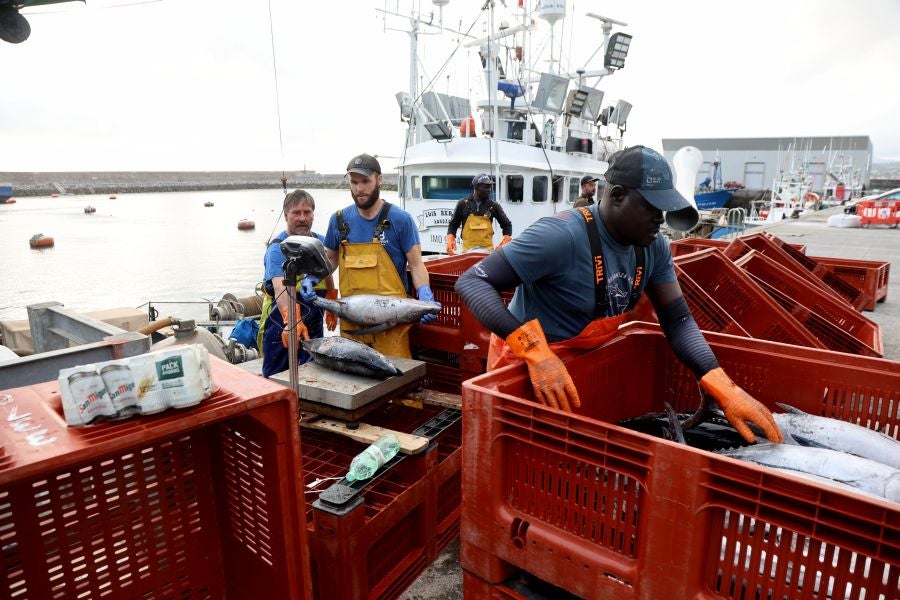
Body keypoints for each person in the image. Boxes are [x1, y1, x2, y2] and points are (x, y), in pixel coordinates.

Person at [455, 146, 782, 444]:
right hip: (526, 367)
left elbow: (678, 319)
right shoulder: (560, 235)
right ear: (617, 195)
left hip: (583, 365)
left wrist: (720, 382)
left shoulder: (654, 247)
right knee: (516, 448)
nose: (661, 219)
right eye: (654, 207)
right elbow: (473, 283)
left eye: (666, 209)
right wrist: (535, 352)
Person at [323, 153, 439, 358]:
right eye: (354, 182)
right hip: (352, 326)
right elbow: (329, 261)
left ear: (379, 179)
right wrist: (313, 280)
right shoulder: (338, 220)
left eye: (365, 181)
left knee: (395, 381)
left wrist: (424, 293)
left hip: (392, 327)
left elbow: (416, 264)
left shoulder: (401, 220)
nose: (359, 189)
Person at [259, 189, 337, 378]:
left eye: (307, 212)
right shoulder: (277, 249)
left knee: (312, 371)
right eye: (296, 213)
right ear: (286, 216)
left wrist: (332, 299)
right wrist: (292, 321)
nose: (302, 218)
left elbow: (327, 269)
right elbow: (280, 287)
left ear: (313, 215)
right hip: (280, 320)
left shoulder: (320, 242)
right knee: (277, 375)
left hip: (314, 317)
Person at [445, 174, 513, 255]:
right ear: (476, 187)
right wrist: (450, 240)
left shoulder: (494, 206)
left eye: (490, 187)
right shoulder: (462, 204)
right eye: (486, 187)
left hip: (488, 253)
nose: (489, 190)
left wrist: (504, 243)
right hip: (467, 253)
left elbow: (507, 225)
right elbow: (453, 225)